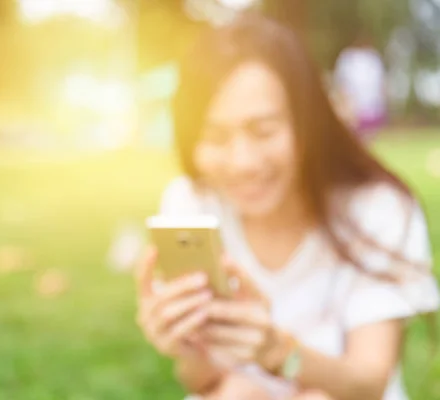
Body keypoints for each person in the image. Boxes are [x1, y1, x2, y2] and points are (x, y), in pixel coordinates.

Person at [135, 13, 439, 400]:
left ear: (307, 122)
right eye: (215, 136)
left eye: (263, 131)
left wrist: (277, 352)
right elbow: (203, 382)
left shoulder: (378, 208)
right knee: (237, 390)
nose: (242, 162)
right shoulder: (192, 200)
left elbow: (368, 382)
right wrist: (184, 345)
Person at [333, 31, 388, 141]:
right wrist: (346, 107)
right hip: (356, 110)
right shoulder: (348, 58)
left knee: (366, 140)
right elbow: (342, 87)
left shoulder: (373, 58)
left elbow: (381, 85)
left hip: (371, 109)